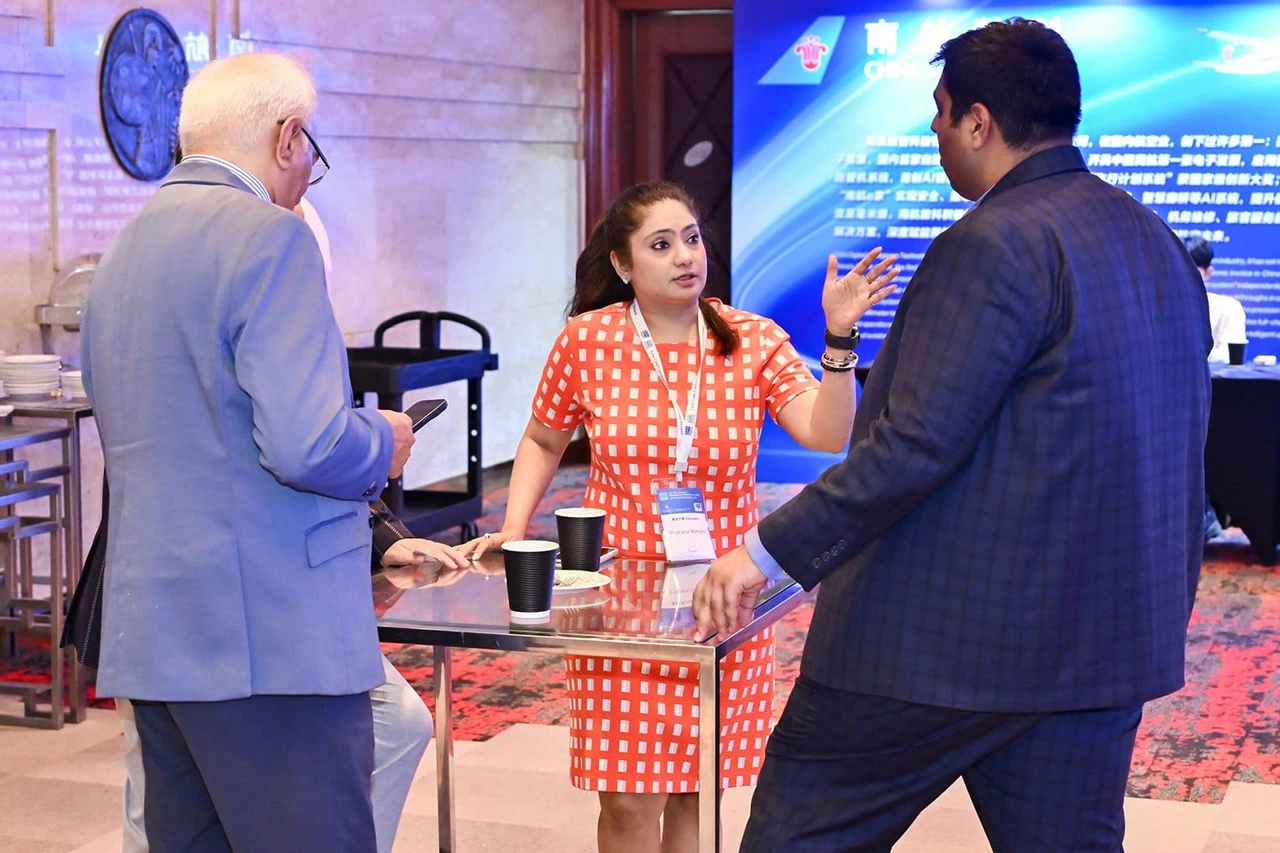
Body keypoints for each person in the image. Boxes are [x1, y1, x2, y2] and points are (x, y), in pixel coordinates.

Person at [695, 18, 1211, 853]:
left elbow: (913, 445)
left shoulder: (991, 242)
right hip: (1101, 645)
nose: (934, 133)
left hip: (935, 648)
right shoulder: (1154, 240)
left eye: (939, 114)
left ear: (977, 122)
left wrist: (761, 553)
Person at [461, 180, 898, 853]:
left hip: (721, 597)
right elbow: (544, 438)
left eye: (691, 238)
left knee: (698, 795)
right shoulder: (587, 341)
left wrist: (840, 338)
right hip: (617, 606)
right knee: (628, 800)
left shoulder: (750, 338)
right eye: (661, 245)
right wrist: (515, 529)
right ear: (622, 264)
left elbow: (827, 430)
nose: (685, 256)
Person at [80, 52, 416, 852]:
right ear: (288, 136)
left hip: (155, 631)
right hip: (270, 638)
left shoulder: (124, 249)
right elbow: (306, 443)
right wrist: (383, 439)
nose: (306, 175)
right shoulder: (272, 237)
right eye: (310, 152)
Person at [1184, 235, 1247, 364]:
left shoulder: (1229, 308)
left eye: (1191, 273)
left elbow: (1229, 355)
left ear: (1208, 273)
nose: (1183, 279)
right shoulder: (1156, 308)